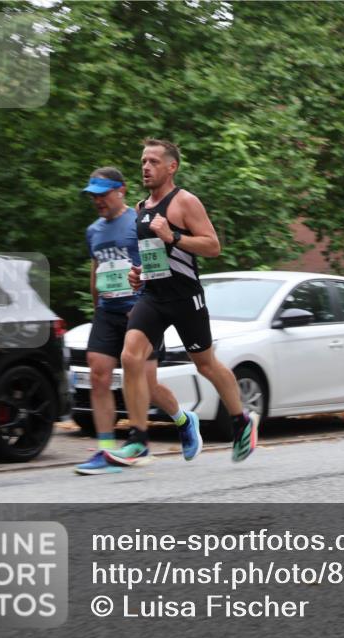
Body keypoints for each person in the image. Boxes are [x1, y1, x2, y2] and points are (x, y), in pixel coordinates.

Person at [111, 138, 258, 466]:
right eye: (143, 162)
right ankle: (137, 438)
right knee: (130, 357)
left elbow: (213, 246)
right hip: (153, 296)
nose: (146, 167)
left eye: (153, 162)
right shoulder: (140, 208)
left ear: (171, 166)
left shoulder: (185, 202)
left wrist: (173, 236)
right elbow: (154, 258)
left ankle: (240, 420)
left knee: (205, 364)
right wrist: (140, 274)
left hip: (185, 296)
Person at [74, 167, 201, 475]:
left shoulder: (138, 221)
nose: (98, 201)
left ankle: (184, 420)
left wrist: (150, 301)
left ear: (121, 190)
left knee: (147, 382)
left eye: (103, 194)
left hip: (140, 309)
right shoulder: (94, 231)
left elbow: (159, 262)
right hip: (107, 310)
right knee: (99, 373)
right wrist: (96, 309)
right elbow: (97, 270)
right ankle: (106, 451)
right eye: (94, 196)